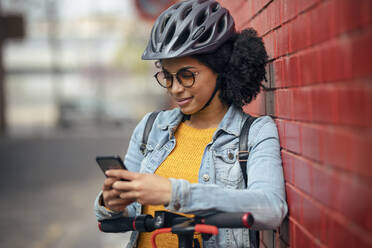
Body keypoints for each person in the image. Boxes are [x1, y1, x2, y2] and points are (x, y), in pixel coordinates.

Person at [94, 0, 288, 247]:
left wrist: (174, 193)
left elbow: (271, 208)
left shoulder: (255, 133)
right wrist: (111, 203)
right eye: (167, 76)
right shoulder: (151, 127)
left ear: (222, 68)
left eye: (187, 75)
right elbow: (130, 211)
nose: (175, 89)